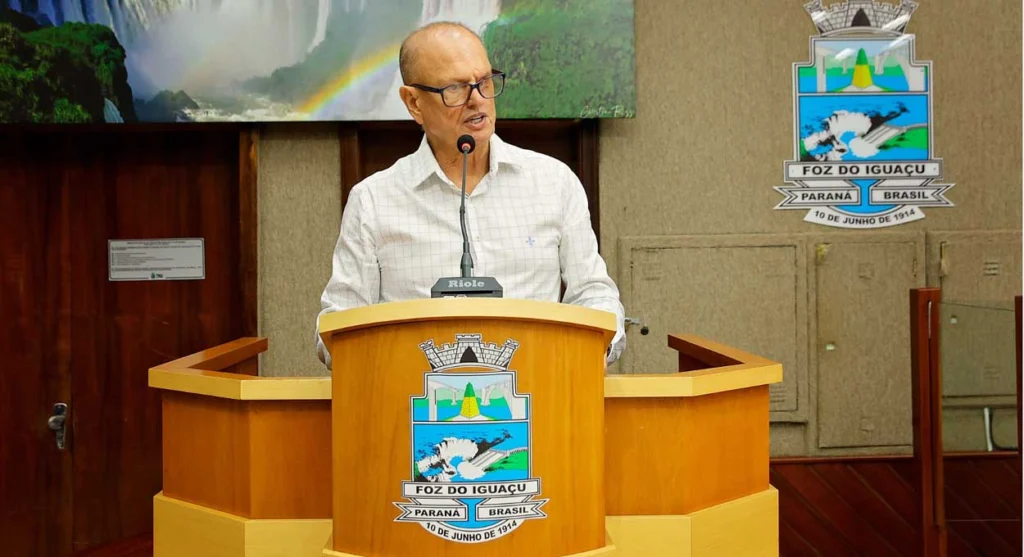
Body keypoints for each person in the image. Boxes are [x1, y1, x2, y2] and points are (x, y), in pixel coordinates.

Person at [316, 21, 626, 369]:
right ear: (414, 103)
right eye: (455, 89)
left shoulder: (554, 183)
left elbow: (594, 295)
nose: (477, 100)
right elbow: (337, 327)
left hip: (542, 389)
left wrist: (587, 357)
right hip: (411, 397)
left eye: (485, 82)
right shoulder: (373, 201)